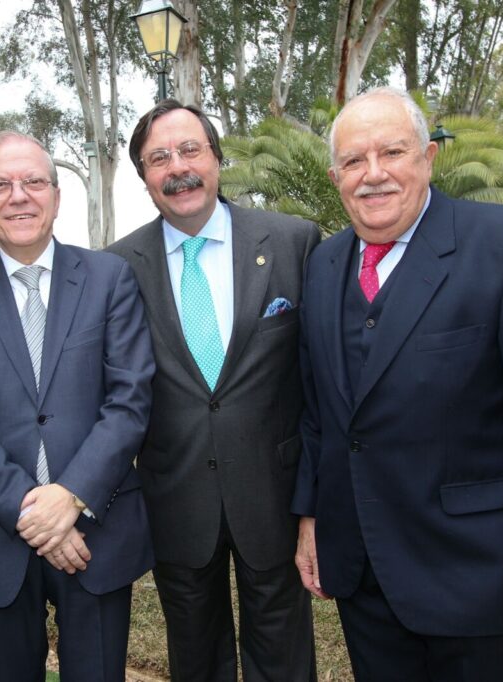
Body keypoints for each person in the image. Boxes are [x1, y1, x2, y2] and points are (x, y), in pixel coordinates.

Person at [291, 87, 503, 681]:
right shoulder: (323, 267)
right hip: (364, 577)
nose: (373, 175)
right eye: (354, 161)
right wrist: (312, 518)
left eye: (393, 153)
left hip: (477, 577)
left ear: (428, 158)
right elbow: (319, 412)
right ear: (335, 177)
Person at [0, 131, 155, 682]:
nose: (18, 196)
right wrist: (31, 508)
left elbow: (130, 399)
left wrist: (71, 498)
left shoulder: (108, 278)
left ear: (56, 194)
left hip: (96, 533)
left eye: (33, 181)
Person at [106, 100, 320, 681]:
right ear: (145, 177)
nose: (178, 167)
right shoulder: (116, 268)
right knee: (196, 662)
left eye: (190, 150)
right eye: (159, 158)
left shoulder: (294, 243)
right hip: (176, 502)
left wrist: (315, 502)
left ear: (217, 158)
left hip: (273, 497)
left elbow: (322, 380)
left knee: (284, 660)